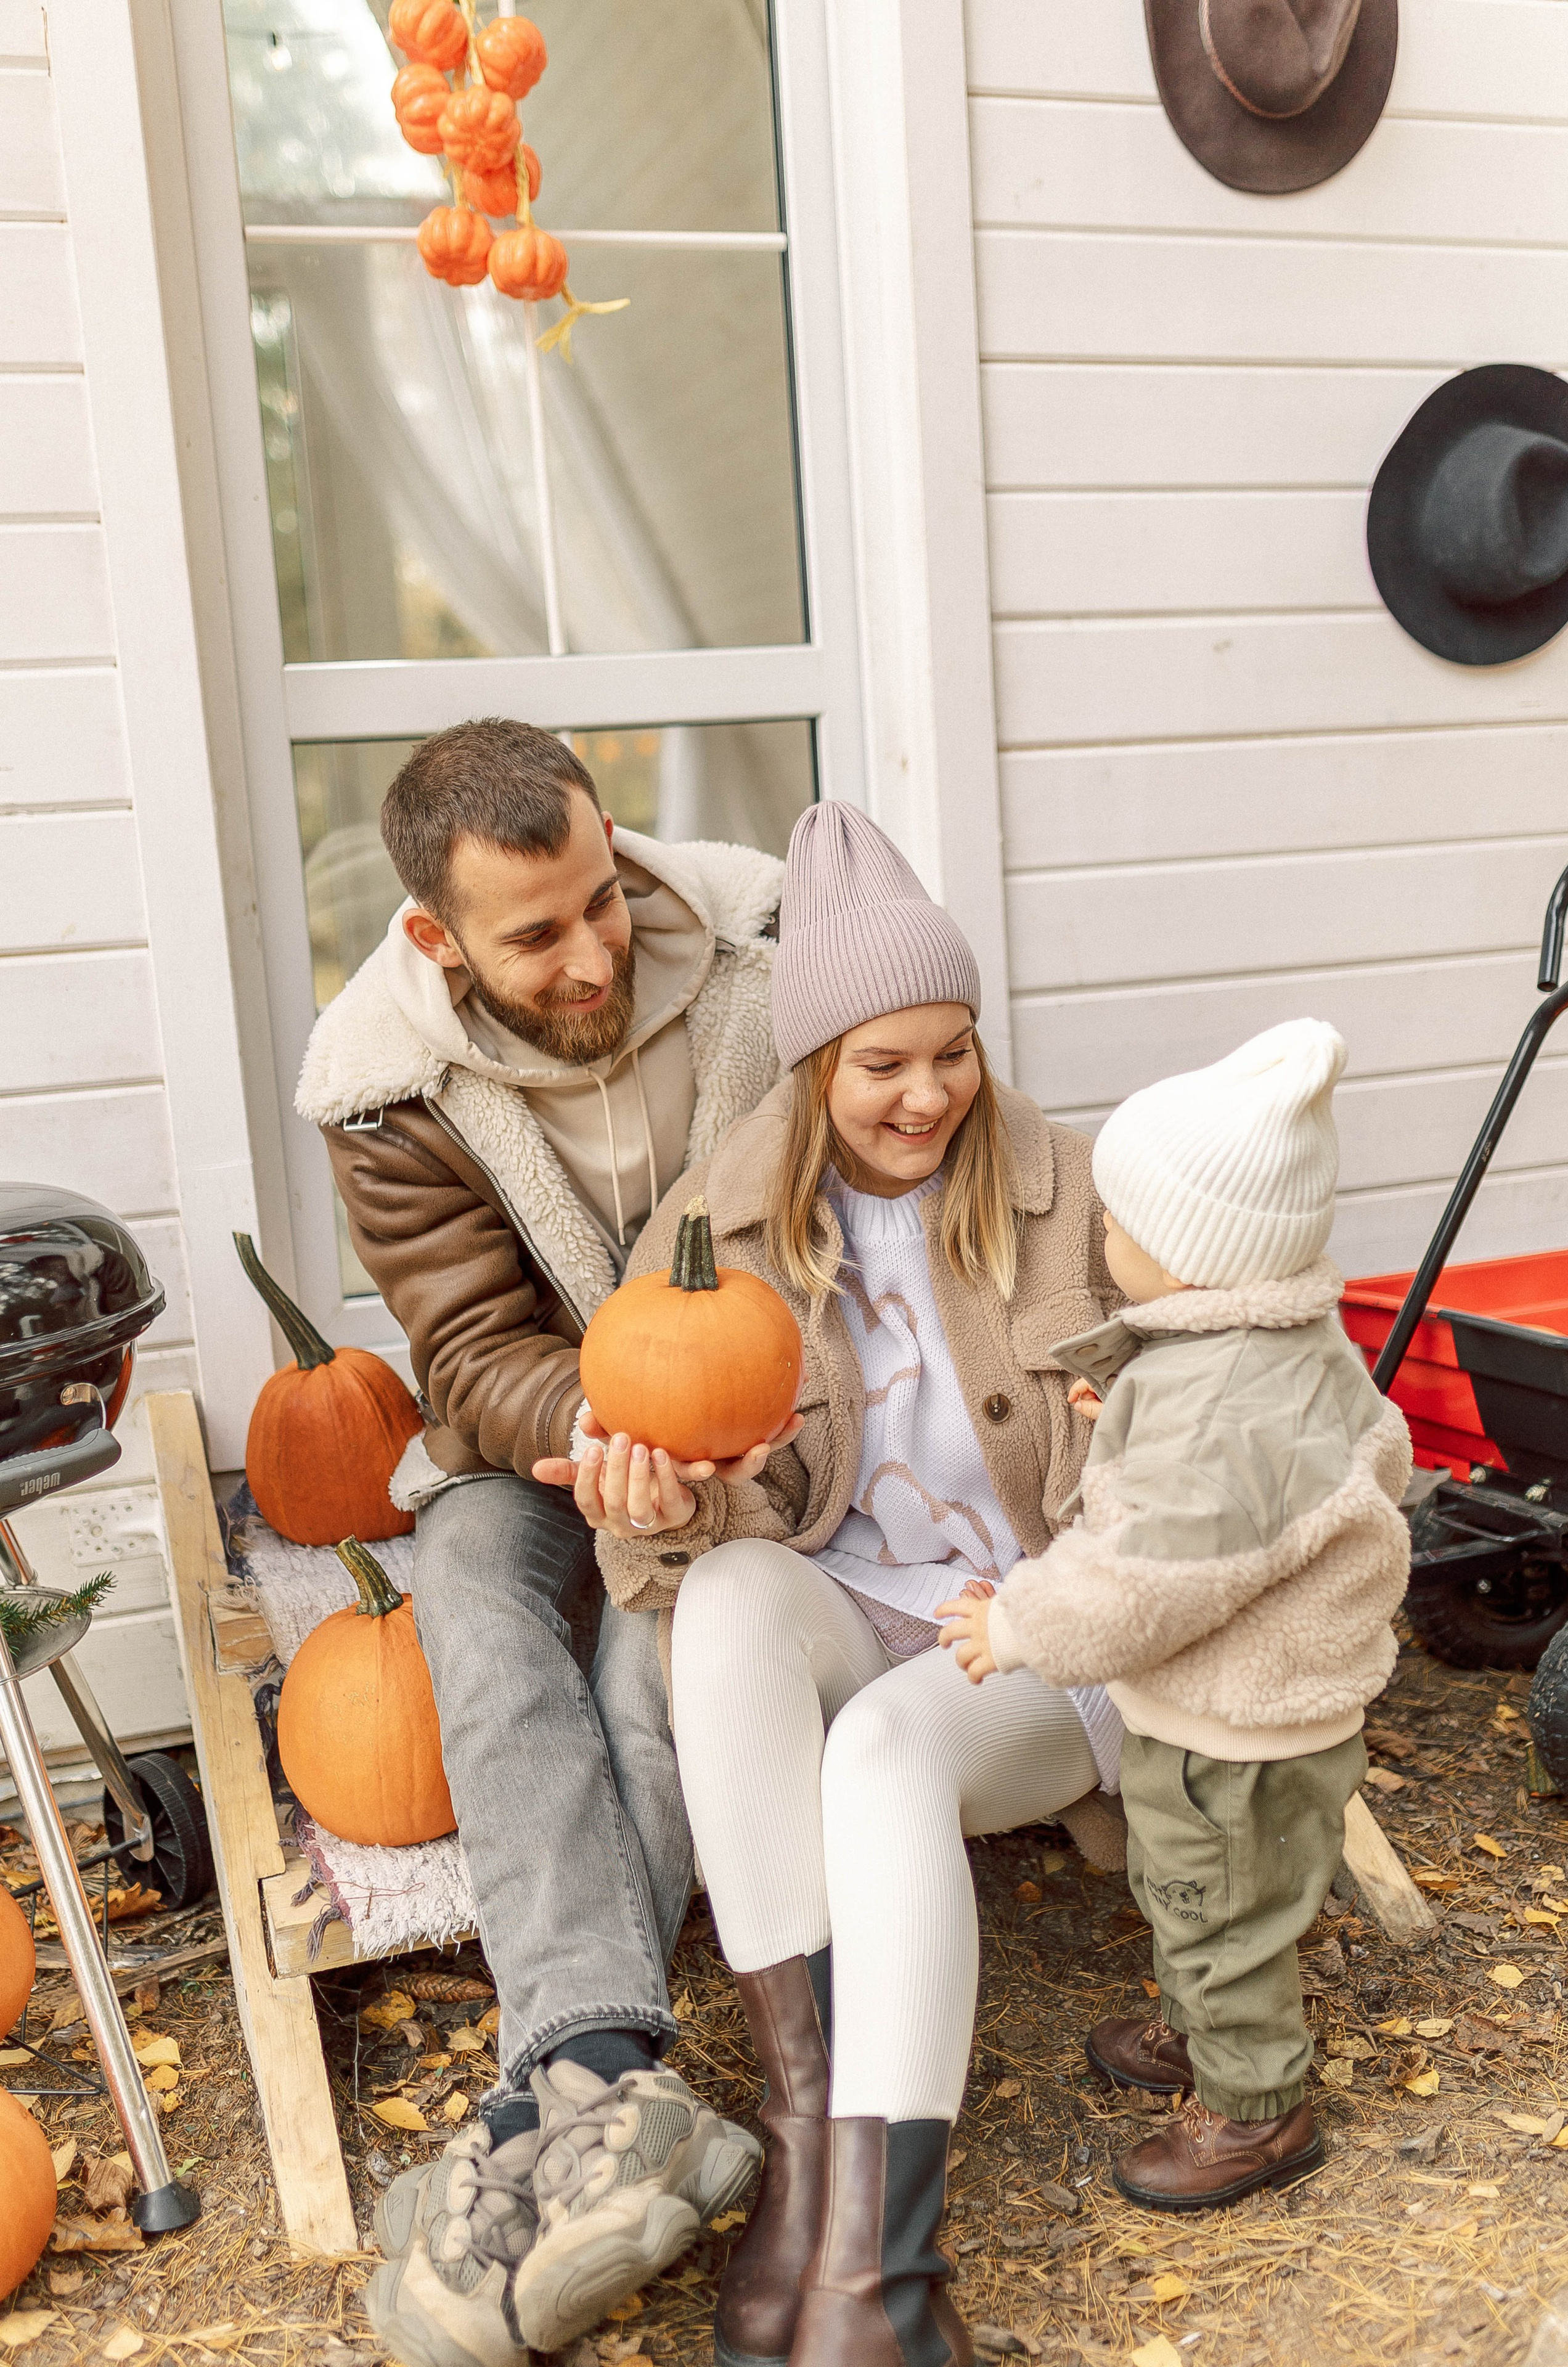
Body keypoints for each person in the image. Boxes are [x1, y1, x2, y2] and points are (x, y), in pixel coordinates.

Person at [538, 802, 1127, 2367]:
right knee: (728, 1597)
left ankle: (879, 2276)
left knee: (877, 1751)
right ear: (812, 1067)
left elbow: (1194, 1441)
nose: (925, 1094)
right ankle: (806, 2157)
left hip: (1039, 1632)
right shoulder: (718, 1229)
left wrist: (1119, 1439)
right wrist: (671, 1505)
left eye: (953, 1053)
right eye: (882, 1064)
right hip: (859, 1606)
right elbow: (654, 1541)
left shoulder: (1075, 1195)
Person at [293, 719, 786, 2363]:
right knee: (469, 1592)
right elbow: (467, 1347)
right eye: (535, 936)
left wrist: (722, 1430)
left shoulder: (754, 957)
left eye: (601, 899)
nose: (592, 955)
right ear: (437, 939)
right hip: (543, 1427)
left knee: (654, 1649)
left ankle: (565, 2082)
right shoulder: (382, 1089)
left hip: (763, 1407)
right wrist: (603, 1428)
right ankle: (609, 2080)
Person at [940, 1020, 1413, 2212]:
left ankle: (1256, 2107)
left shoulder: (1221, 1413)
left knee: (1221, 1914)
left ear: (1197, 1262)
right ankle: (1207, 2032)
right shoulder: (1283, 1343)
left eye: (1118, 1224)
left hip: (1234, 1737)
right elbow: (1351, 1458)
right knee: (1189, 1886)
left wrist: (1020, 1629)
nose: (1101, 1236)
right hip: (1244, 1711)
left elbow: (1144, 1579)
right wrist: (1141, 1420)